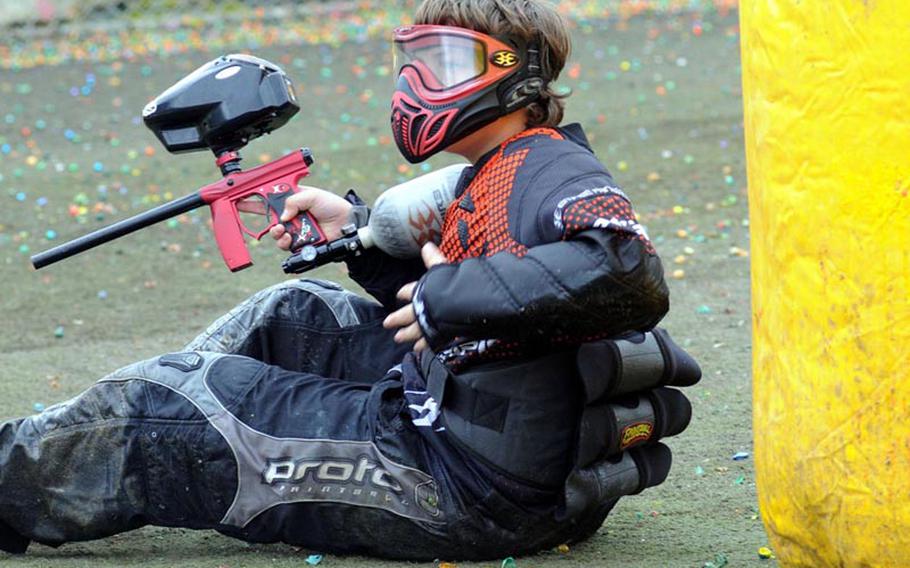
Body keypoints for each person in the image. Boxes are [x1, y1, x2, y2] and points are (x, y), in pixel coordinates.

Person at [0, 0, 699, 560]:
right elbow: (484, 301)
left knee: (155, 411)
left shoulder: (555, 171)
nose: (413, 85)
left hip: (457, 485)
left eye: (443, 63)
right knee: (293, 311)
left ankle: (127, 440)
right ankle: (133, 439)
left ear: (521, 74)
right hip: (490, 440)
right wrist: (355, 235)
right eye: (411, 61)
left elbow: (625, 268)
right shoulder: (505, 167)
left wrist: (442, 297)